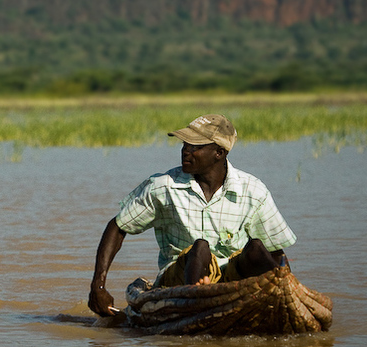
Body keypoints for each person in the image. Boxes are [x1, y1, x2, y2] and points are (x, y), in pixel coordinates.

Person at [88, 114, 297, 317]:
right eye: (185, 145)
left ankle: (281, 296)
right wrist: (98, 286)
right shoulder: (163, 187)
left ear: (219, 153)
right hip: (180, 278)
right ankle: (194, 301)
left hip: (232, 279)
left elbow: (275, 252)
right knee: (200, 248)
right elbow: (118, 227)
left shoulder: (253, 191)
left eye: (195, 147)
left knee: (257, 248)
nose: (185, 152)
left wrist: (288, 290)